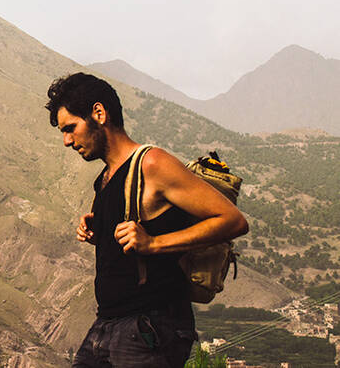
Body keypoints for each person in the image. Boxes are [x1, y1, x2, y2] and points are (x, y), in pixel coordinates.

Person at [45, 73, 248, 368]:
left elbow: (232, 220)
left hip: (149, 327)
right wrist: (96, 233)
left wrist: (154, 243)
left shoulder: (151, 164)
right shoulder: (103, 180)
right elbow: (131, 244)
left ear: (99, 114)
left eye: (70, 128)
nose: (66, 141)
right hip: (108, 324)